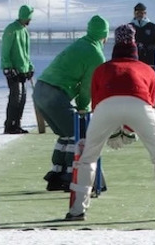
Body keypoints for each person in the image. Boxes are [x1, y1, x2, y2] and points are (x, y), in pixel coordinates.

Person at [65, 24, 155, 221]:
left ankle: (77, 210)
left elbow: (96, 101)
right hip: (140, 105)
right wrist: (130, 129)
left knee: (87, 156)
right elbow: (151, 102)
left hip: (105, 107)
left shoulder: (102, 69)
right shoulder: (146, 69)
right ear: (134, 44)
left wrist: (112, 129)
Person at [32, 15, 109, 192]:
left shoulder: (80, 43)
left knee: (65, 134)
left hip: (40, 89)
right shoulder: (96, 55)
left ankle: (56, 175)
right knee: (77, 133)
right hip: (55, 93)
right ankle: (69, 176)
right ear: (104, 35)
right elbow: (88, 86)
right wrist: (83, 107)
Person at [0, 4, 34, 134]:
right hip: (13, 69)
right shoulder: (11, 29)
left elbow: (25, 52)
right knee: (15, 97)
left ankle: (17, 123)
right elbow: (5, 50)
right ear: (25, 17)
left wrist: (29, 67)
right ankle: (10, 125)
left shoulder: (24, 30)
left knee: (22, 98)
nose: (30, 20)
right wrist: (7, 67)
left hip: (22, 69)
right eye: (29, 18)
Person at [129, 2, 155, 69]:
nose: (139, 15)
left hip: (149, 60)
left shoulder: (152, 26)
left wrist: (150, 47)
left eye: (142, 13)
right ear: (134, 14)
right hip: (134, 59)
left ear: (145, 13)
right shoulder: (130, 27)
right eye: (137, 13)